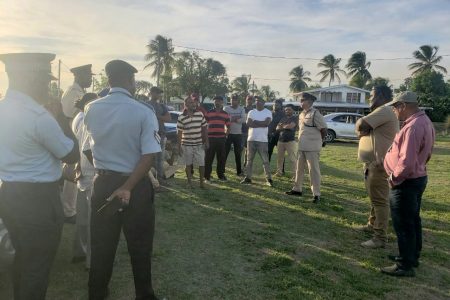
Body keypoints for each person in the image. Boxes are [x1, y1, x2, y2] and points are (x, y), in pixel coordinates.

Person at [0, 53, 79, 300]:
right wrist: (61, 120)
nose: (49, 86)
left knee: (22, 260)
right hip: (38, 201)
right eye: (45, 81)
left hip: (9, 194)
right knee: (37, 268)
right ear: (31, 79)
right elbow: (71, 154)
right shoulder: (39, 116)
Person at [83, 59, 161, 299]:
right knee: (139, 246)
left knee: (101, 246)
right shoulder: (143, 111)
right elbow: (149, 156)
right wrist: (127, 187)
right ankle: (144, 295)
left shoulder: (91, 108)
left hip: (103, 183)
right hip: (134, 186)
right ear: (130, 81)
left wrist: (104, 168)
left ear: (109, 80)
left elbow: (87, 148)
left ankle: (96, 294)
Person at [380, 91, 435, 277]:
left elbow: (406, 161)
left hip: (405, 182)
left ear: (403, 105)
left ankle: (405, 265)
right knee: (413, 220)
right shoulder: (424, 121)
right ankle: (411, 256)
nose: (394, 111)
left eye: (395, 107)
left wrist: (393, 179)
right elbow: (426, 153)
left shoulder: (413, 126)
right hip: (417, 178)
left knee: (403, 224)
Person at [355, 86, 399, 249]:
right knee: (375, 198)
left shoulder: (385, 110)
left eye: (371, 95)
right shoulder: (381, 112)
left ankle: (380, 237)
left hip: (380, 164)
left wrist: (363, 126)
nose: (369, 98)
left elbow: (361, 124)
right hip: (373, 163)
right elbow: (359, 130)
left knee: (380, 201)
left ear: (380, 96)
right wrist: (362, 128)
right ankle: (372, 225)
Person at [60, 64, 94, 223]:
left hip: (79, 139)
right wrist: (71, 144)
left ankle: (71, 208)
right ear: (79, 76)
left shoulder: (80, 92)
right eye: (88, 76)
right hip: (72, 140)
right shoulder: (72, 93)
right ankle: (68, 211)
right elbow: (66, 119)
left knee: (75, 178)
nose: (91, 78)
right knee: (71, 178)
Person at [71, 93, 99, 268]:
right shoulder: (87, 119)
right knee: (92, 220)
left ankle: (79, 252)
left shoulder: (78, 117)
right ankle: (91, 260)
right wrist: (100, 168)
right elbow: (87, 149)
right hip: (90, 173)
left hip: (82, 172)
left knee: (82, 218)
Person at [286, 92, 327, 203]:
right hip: (302, 146)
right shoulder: (301, 114)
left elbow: (324, 130)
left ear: (309, 101)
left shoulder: (316, 114)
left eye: (302, 100)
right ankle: (297, 189)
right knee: (299, 169)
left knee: (313, 171)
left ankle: (316, 194)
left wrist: (319, 141)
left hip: (312, 148)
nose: (301, 102)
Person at [241, 96, 273, 187]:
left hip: (262, 140)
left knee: (265, 160)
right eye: (256, 101)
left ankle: (269, 179)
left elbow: (266, 123)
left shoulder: (268, 112)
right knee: (249, 160)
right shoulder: (251, 112)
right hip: (251, 139)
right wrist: (261, 123)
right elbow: (248, 124)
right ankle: (248, 178)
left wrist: (255, 122)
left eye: (259, 101)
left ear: (264, 102)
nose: (257, 102)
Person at [177, 96, 209, 188]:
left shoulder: (200, 114)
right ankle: (189, 182)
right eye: (191, 103)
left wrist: (207, 141)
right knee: (188, 164)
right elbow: (179, 132)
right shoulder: (181, 117)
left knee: (202, 163)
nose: (193, 104)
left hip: (199, 144)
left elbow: (204, 128)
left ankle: (201, 183)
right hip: (186, 144)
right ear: (186, 105)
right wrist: (179, 147)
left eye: (193, 102)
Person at [147, 86, 170, 185]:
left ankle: (160, 178)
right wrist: (161, 117)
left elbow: (168, 118)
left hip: (161, 134)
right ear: (151, 92)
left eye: (159, 93)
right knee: (148, 157)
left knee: (160, 158)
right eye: (156, 92)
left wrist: (156, 116)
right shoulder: (145, 104)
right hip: (148, 135)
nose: (158, 95)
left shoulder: (162, 106)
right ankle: (149, 179)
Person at [204, 95, 231, 182]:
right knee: (208, 158)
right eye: (216, 101)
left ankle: (221, 175)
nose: (217, 102)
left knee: (221, 158)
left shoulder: (225, 114)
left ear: (222, 102)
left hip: (221, 139)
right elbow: (204, 126)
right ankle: (207, 176)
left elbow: (228, 126)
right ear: (214, 102)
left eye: (219, 101)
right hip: (210, 139)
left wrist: (226, 135)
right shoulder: (208, 113)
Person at [224, 94, 246, 176]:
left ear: (238, 101)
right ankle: (222, 170)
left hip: (238, 134)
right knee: (225, 153)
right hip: (228, 133)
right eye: (232, 100)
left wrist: (232, 119)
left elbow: (244, 119)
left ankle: (239, 172)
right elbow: (225, 119)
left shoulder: (241, 108)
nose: (234, 101)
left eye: (235, 100)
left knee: (238, 154)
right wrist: (236, 118)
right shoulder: (226, 108)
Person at [274, 104, 298, 177]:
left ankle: (295, 175)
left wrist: (282, 126)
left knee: (292, 159)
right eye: (286, 109)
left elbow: (290, 126)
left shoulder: (295, 118)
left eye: (289, 109)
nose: (287, 111)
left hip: (290, 141)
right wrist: (285, 126)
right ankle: (279, 172)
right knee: (279, 159)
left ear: (293, 110)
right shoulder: (283, 118)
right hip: (280, 141)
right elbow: (277, 128)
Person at [242, 95, 254, 170]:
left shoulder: (254, 110)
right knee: (240, 150)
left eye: (251, 99)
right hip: (242, 132)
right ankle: (240, 166)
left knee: (248, 150)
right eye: (248, 99)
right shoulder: (242, 109)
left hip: (251, 132)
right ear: (246, 100)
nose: (249, 101)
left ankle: (246, 165)